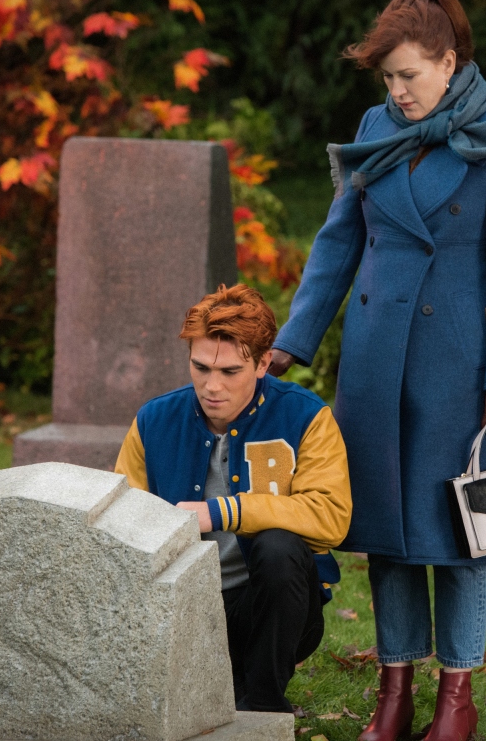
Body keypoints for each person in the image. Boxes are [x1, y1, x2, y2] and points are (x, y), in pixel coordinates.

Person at [268, 0, 486, 741]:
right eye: (387, 78)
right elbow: (337, 244)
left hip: (458, 368)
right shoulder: (374, 128)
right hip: (375, 365)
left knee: (457, 536)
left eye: (408, 75)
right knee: (385, 532)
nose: (396, 91)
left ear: (448, 63)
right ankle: (395, 691)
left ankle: (458, 698)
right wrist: (293, 340)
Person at [115, 284, 352, 714]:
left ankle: (263, 706)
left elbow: (330, 517)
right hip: (179, 608)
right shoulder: (153, 421)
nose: (211, 386)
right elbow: (120, 526)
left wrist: (222, 512)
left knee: (279, 546)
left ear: (263, 363)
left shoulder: (306, 416)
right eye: (200, 367)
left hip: (274, 609)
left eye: (229, 372)